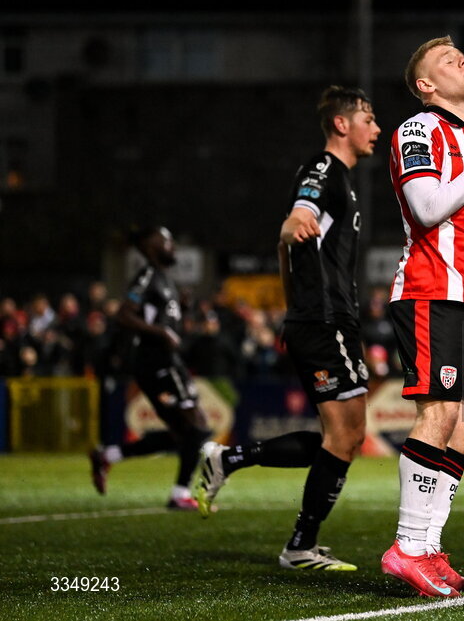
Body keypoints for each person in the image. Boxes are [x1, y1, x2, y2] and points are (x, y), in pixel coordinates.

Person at [194, 86, 381, 571]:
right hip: (324, 321)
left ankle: (228, 461)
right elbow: (297, 218)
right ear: (342, 124)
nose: (376, 129)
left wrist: (290, 297)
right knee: (345, 436)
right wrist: (293, 222)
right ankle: (299, 546)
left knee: (342, 436)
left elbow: (287, 248)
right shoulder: (324, 171)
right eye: (369, 118)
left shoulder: (342, 179)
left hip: (320, 318)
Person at [380, 35, 464, 597]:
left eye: (461, 53)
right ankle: (407, 547)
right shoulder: (419, 129)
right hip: (431, 288)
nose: (462, 59)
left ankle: (430, 547)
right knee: (437, 413)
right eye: (445, 59)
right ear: (426, 85)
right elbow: (427, 206)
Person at [89, 226, 211, 510]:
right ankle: (180, 494)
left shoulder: (165, 280)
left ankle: (108, 455)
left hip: (168, 362)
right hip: (157, 363)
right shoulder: (146, 276)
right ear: (149, 246)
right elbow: (124, 315)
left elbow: (167, 323)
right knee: (196, 427)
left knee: (184, 434)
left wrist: (184, 309)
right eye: (166, 241)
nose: (173, 246)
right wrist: (161, 333)